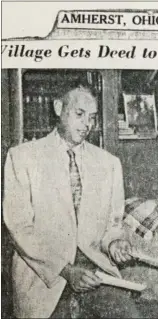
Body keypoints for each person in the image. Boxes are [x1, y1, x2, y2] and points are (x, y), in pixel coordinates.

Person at [3, 86, 142, 318]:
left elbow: (113, 226)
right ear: (59, 108)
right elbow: (19, 229)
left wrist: (116, 244)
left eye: (92, 117)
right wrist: (66, 270)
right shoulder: (22, 158)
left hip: (97, 273)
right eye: (79, 114)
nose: (87, 124)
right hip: (44, 277)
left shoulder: (109, 164)